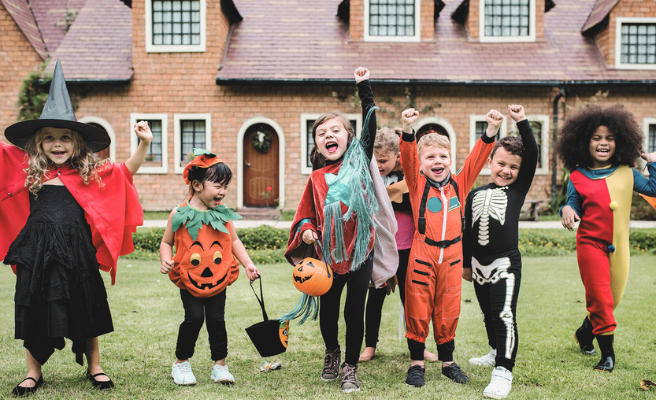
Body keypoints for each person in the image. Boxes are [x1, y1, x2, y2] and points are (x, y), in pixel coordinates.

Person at [0, 59, 147, 396]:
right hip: (35, 251)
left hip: (77, 248)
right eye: (49, 138)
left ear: (77, 143)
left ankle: (95, 367)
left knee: (87, 301)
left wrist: (144, 144)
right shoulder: (29, 174)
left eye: (65, 137)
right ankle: (33, 372)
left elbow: (125, 173)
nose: (57, 144)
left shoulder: (88, 174)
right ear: (38, 142)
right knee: (31, 303)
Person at [284, 67, 381, 393]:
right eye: (321, 132)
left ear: (349, 137)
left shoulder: (359, 161)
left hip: (360, 251)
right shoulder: (315, 178)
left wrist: (363, 86)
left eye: (336, 129)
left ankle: (350, 367)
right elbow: (305, 216)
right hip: (328, 255)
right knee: (328, 314)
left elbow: (370, 122)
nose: (328, 135)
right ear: (317, 143)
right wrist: (308, 231)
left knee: (355, 313)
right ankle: (332, 353)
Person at [400, 107, 502, 387]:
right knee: (418, 308)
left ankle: (448, 362)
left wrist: (491, 130)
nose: (437, 161)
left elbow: (476, 160)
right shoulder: (416, 183)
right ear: (420, 164)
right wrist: (408, 129)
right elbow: (407, 158)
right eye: (430, 157)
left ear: (450, 160)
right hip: (423, 255)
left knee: (449, 309)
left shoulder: (459, 184)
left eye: (443, 156)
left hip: (453, 257)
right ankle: (417, 363)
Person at [558, 104, 656, 373]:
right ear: (584, 141)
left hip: (619, 248)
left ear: (620, 142)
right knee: (600, 299)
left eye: (609, 138)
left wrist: (653, 162)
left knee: (612, 300)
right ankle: (607, 356)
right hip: (590, 245)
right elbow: (572, 204)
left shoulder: (627, 172)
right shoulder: (576, 176)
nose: (603, 143)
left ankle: (584, 333)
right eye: (596, 137)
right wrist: (566, 210)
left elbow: (654, 190)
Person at [159, 149, 260, 386]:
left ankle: (220, 366)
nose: (223, 191)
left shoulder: (223, 214)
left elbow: (234, 241)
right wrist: (166, 259)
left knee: (217, 319)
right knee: (193, 318)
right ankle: (181, 363)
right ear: (196, 185)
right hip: (190, 277)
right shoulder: (179, 213)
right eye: (217, 185)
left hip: (218, 276)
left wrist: (248, 264)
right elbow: (167, 242)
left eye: (226, 186)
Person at [462, 105, 537, 399]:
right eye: (501, 163)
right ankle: (495, 351)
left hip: (505, 263)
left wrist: (522, 121)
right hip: (478, 264)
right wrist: (467, 264)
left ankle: (503, 371)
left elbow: (531, 153)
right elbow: (467, 231)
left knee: (504, 314)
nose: (506, 170)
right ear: (490, 161)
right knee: (488, 314)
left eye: (513, 167)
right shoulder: (475, 194)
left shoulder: (517, 192)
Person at [359, 127, 438, 363]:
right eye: (376, 160)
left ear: (397, 157)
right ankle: (370, 345)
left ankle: (418, 345)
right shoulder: (369, 176)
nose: (379, 165)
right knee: (374, 300)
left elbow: (408, 204)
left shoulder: (410, 178)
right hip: (380, 250)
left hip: (407, 249)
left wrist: (389, 195)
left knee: (411, 300)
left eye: (384, 160)